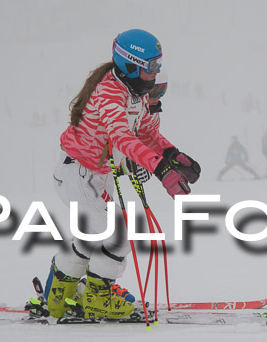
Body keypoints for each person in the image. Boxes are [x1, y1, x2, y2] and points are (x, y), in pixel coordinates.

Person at [45, 29, 201, 320]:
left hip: (96, 175)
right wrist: (160, 169)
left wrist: (172, 155)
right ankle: (96, 297)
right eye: (151, 67)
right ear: (130, 64)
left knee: (94, 238)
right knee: (118, 236)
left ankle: (59, 293)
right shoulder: (108, 93)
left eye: (158, 65)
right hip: (77, 174)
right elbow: (121, 139)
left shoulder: (134, 93)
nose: (156, 73)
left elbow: (144, 134)